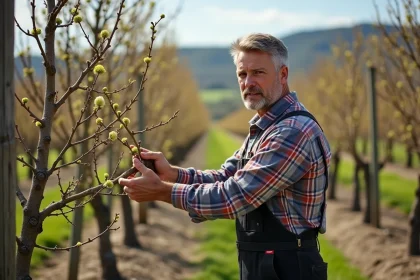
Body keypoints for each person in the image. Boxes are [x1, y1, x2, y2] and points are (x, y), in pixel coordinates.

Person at [119, 33, 331, 280]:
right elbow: (226, 176)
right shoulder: (266, 127)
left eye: (258, 73)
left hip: (289, 269)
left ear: (283, 75)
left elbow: (236, 195)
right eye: (242, 74)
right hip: (269, 265)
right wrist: (172, 174)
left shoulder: (293, 132)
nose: (248, 82)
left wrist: (162, 191)